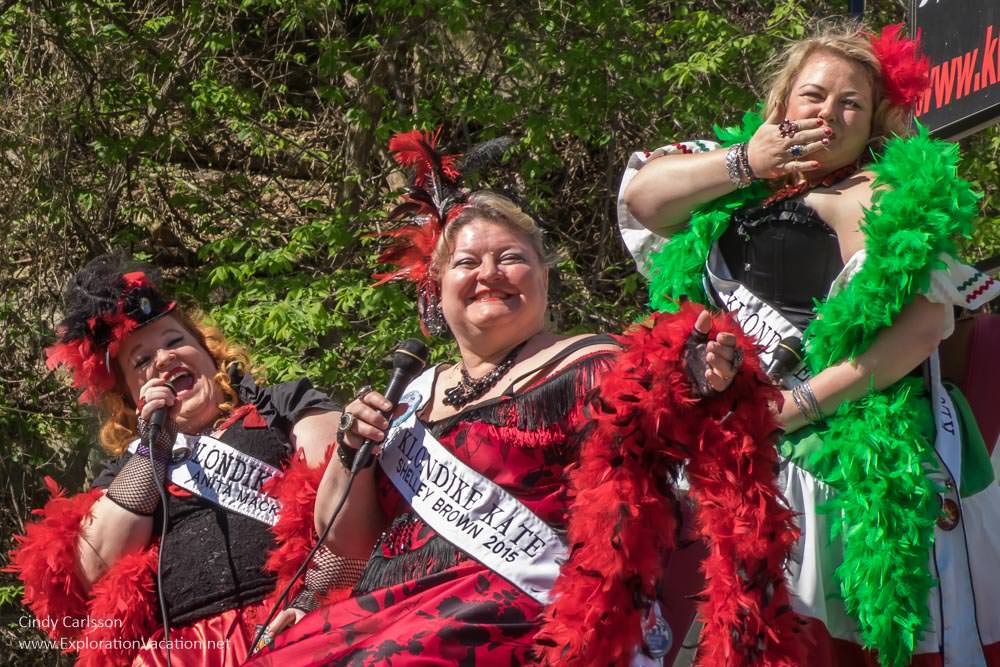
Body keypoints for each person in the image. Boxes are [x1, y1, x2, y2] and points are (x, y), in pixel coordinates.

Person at [246, 130, 799, 667]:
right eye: (466, 264)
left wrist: (696, 374)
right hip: (377, 615)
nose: (488, 274)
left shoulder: (592, 363)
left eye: (510, 258)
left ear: (542, 277)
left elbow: (660, 409)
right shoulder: (409, 396)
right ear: (436, 291)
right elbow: (343, 555)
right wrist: (351, 454)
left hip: (507, 624)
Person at [619, 21, 1000, 666]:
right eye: (814, 96)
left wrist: (790, 411)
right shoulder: (730, 169)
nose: (828, 114)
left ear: (872, 121)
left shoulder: (887, 194)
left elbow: (919, 330)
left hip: (835, 464)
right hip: (719, 457)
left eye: (850, 103)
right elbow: (643, 198)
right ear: (782, 101)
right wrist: (747, 163)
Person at [7, 255, 365, 666]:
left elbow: (349, 482)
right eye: (141, 361)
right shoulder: (129, 465)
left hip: (294, 627)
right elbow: (91, 572)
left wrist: (314, 600)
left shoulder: (280, 405)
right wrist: (153, 450)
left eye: (175, 342)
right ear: (129, 397)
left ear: (206, 351)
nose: (162, 359)